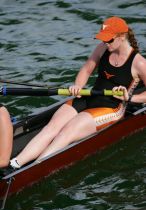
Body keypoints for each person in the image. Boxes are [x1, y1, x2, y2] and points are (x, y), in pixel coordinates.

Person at [10, 16, 146, 169]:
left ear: (121, 37)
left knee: (67, 131)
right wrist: (78, 86)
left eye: (109, 40)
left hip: (112, 107)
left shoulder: (139, 63)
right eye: (104, 39)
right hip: (90, 96)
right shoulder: (103, 48)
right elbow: (87, 69)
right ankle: (16, 163)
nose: (105, 43)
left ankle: (34, 168)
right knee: (52, 127)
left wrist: (131, 97)